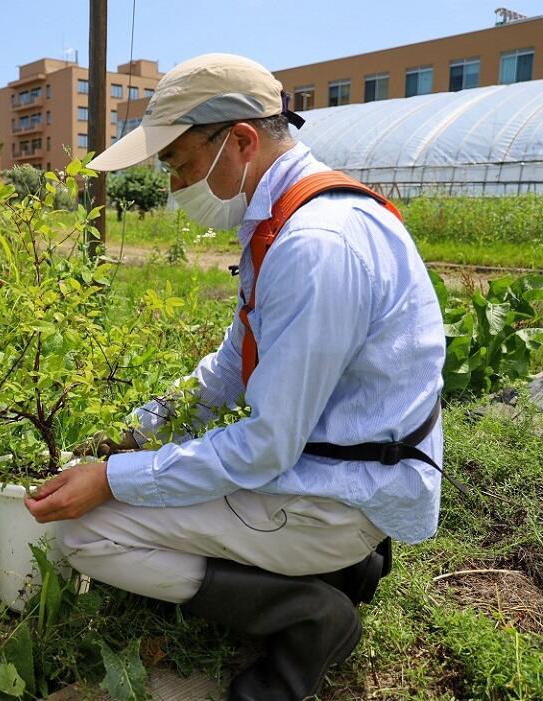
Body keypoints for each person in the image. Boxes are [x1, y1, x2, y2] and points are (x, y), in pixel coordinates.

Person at [23, 53, 446, 701]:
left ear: (241, 141)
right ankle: (341, 569)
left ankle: (309, 612)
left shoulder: (316, 244)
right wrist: (138, 433)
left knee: (85, 531)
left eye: (180, 163)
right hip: (343, 474)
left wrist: (110, 478)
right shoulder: (292, 216)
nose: (174, 185)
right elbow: (229, 364)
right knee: (139, 489)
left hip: (334, 495)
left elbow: (265, 445)